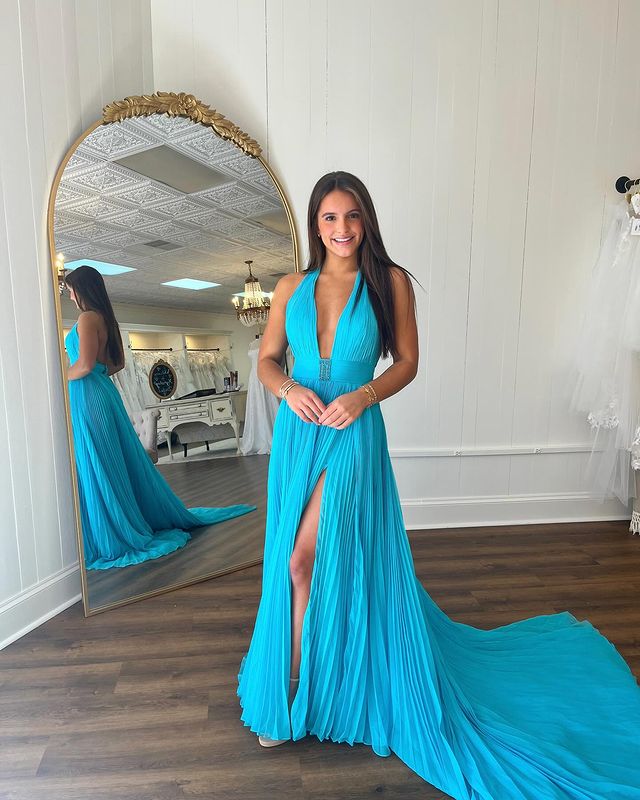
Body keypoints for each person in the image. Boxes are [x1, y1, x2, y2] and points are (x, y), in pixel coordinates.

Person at [236, 172, 640, 799]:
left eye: (352, 216)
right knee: (298, 562)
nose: (342, 229)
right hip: (297, 436)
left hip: (352, 433)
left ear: (366, 220)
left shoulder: (389, 282)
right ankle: (302, 678)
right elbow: (265, 361)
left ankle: (296, 691)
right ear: (316, 224)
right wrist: (288, 389)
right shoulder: (291, 287)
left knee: (302, 560)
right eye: (330, 218)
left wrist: (363, 396)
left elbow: (408, 363)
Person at [63, 265, 256, 570]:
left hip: (87, 395)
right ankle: (120, 518)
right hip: (101, 392)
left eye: (71, 290)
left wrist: (58, 377)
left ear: (81, 289)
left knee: (97, 460)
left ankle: (111, 528)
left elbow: (85, 365)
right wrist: (94, 373)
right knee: (108, 460)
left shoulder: (87, 318)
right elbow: (116, 364)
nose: (70, 296)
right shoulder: (106, 319)